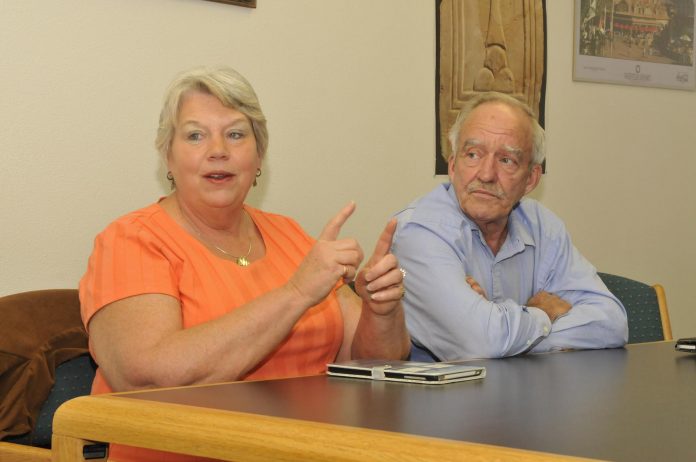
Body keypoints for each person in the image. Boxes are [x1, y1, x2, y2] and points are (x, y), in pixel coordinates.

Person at [79, 66, 410, 462]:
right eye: (195, 135)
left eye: (236, 134)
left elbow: (374, 363)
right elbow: (149, 376)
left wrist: (381, 308)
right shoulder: (132, 240)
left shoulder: (290, 236)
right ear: (168, 156)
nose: (218, 149)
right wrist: (296, 293)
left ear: (259, 157)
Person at [392, 91, 627, 362]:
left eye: (506, 160)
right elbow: (479, 342)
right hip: (438, 402)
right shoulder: (419, 232)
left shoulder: (542, 227)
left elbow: (610, 323)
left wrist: (505, 329)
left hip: (525, 397)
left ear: (530, 179)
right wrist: (541, 313)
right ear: (453, 167)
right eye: (473, 154)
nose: (486, 174)